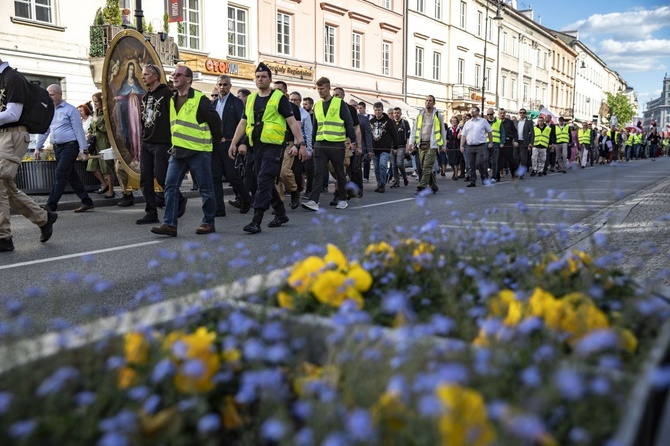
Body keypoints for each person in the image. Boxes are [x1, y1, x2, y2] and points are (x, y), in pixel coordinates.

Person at [229, 63, 305, 233]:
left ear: (269, 79)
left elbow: (292, 122)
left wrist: (301, 143)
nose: (260, 79)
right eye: (257, 76)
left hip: (273, 147)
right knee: (265, 182)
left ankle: (256, 220)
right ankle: (280, 213)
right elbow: (243, 122)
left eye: (263, 76)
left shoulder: (279, 98)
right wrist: (234, 143)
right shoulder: (251, 99)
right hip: (255, 147)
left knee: (263, 180)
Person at [150, 65, 222, 237]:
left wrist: (214, 145)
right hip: (178, 152)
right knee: (170, 186)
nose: (174, 77)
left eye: (179, 75)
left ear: (189, 79)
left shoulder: (200, 99)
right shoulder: (172, 99)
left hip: (198, 151)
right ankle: (169, 224)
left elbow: (216, 123)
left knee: (205, 189)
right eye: (173, 74)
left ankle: (208, 222)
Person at [0, 57, 58, 252]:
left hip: (14, 134)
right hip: (4, 135)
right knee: (6, 188)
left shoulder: (12, 78)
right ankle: (44, 218)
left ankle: (3, 238)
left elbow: (13, 114)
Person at [136, 64, 186, 225]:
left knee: (162, 176)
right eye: (143, 75)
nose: (143, 77)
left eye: (146, 74)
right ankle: (151, 211)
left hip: (162, 142)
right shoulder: (145, 97)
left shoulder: (167, 94)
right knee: (145, 179)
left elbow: (175, 116)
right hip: (147, 142)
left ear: (155, 76)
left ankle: (179, 199)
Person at [36, 84, 95, 213]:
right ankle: (87, 201)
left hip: (70, 146)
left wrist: (83, 149)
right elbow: (45, 130)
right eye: (48, 95)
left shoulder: (70, 110)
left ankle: (51, 206)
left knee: (60, 174)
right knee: (71, 175)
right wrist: (37, 147)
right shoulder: (49, 110)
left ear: (59, 94)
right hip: (57, 148)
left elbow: (78, 130)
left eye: (52, 95)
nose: (49, 98)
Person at [301, 77, 356, 211]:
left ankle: (342, 199)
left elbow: (348, 122)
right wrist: (312, 144)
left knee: (339, 172)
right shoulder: (317, 105)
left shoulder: (339, 103)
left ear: (328, 88)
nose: (320, 91)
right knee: (318, 173)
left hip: (336, 144)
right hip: (320, 144)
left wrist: (353, 141)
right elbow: (315, 126)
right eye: (318, 89)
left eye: (322, 88)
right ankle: (314, 201)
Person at [212, 74, 252, 216]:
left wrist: (241, 143)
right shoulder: (214, 103)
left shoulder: (236, 102)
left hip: (231, 144)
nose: (222, 87)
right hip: (215, 145)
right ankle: (219, 208)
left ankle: (246, 198)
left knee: (232, 175)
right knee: (215, 177)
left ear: (230, 86)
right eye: (220, 85)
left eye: (225, 85)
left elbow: (243, 124)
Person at [273, 80, 303, 210]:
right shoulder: (271, 105)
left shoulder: (293, 107)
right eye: (274, 90)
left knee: (284, 172)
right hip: (274, 143)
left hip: (289, 142)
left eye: (279, 90)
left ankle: (294, 191)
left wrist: (297, 145)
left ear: (285, 92)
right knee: (275, 175)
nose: (276, 92)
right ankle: (279, 204)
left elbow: (297, 127)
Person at [409, 95, 445, 194]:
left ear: (434, 103)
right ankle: (434, 186)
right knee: (423, 167)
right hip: (421, 145)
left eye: (430, 101)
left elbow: (442, 131)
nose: (428, 102)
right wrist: (411, 143)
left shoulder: (437, 115)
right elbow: (414, 130)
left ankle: (421, 187)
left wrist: (443, 145)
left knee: (426, 167)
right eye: (426, 100)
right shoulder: (420, 115)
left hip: (432, 145)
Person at [113, 62, 145, 165]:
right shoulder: (125, 82)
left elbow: (142, 92)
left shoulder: (136, 81)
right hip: (128, 109)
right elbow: (121, 95)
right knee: (132, 131)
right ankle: (134, 155)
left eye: (132, 69)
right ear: (127, 71)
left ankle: (139, 155)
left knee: (138, 129)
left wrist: (136, 93)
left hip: (136, 106)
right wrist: (118, 97)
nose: (131, 72)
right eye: (129, 69)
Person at [87, 92, 115, 198]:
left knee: (106, 167)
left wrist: (97, 126)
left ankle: (111, 190)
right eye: (94, 102)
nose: (95, 104)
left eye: (97, 101)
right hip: (95, 142)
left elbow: (109, 128)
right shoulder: (95, 113)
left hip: (104, 142)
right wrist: (89, 132)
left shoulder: (107, 113)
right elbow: (91, 126)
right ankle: (104, 183)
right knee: (92, 165)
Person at [460, 106, 492, 187]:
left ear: (478, 112)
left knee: (481, 162)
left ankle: (484, 177)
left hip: (481, 145)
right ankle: (472, 180)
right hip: (470, 146)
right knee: (470, 164)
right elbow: (463, 135)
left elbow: (489, 132)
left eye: (474, 111)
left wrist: (490, 142)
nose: (472, 112)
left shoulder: (483, 121)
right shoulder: (468, 123)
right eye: (471, 111)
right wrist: (461, 146)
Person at [290, 91, 314, 200]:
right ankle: (294, 191)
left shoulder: (305, 115)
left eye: (295, 100)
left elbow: (308, 133)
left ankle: (300, 189)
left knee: (298, 171)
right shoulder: (287, 112)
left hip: (301, 146)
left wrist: (308, 149)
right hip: (289, 145)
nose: (293, 101)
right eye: (291, 99)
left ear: (300, 101)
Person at [370, 102, 398, 193]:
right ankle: (379, 184)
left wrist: (395, 147)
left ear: (382, 110)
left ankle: (382, 184)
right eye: (376, 110)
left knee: (382, 165)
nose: (377, 112)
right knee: (376, 168)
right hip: (374, 148)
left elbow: (394, 134)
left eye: (379, 110)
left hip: (385, 148)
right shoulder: (371, 122)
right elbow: (368, 135)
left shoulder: (389, 122)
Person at [390, 107, 410, 187]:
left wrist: (407, 147)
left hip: (401, 147)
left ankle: (405, 176)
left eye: (398, 113)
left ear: (400, 114)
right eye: (394, 113)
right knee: (394, 165)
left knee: (399, 164)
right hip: (391, 147)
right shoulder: (390, 123)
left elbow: (408, 136)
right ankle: (397, 182)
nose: (396, 114)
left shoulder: (404, 123)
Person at [498, 109, 518, 181]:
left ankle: (513, 174)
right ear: (498, 114)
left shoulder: (510, 122)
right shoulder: (496, 122)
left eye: (503, 113)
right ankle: (497, 176)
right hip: (499, 143)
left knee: (510, 160)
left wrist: (515, 140)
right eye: (501, 113)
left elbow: (515, 132)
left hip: (508, 143)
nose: (502, 114)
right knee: (499, 160)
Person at [514, 108, 533, 179]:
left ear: (525, 114)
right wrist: (514, 141)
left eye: (523, 113)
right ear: (519, 114)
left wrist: (531, 143)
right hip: (517, 142)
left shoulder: (529, 122)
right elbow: (514, 132)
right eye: (521, 113)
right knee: (515, 158)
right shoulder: (516, 122)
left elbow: (532, 134)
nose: (522, 114)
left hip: (524, 142)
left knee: (523, 159)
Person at [486, 108, 501, 184]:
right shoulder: (484, 122)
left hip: (496, 143)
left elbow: (502, 133)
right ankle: (485, 176)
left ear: (493, 114)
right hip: (486, 143)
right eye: (488, 114)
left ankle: (494, 177)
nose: (489, 116)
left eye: (491, 114)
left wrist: (502, 142)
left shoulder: (499, 122)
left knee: (494, 161)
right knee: (484, 160)